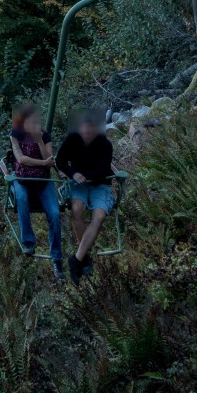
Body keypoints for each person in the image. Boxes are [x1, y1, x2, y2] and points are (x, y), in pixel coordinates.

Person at [56, 110, 115, 286]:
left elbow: (102, 170)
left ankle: (76, 259)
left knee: (99, 216)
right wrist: (73, 173)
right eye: (84, 128)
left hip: (99, 183)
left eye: (91, 128)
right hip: (78, 183)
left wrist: (83, 174)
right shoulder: (72, 139)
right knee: (77, 209)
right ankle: (84, 258)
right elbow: (60, 161)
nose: (87, 131)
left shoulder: (104, 144)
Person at [9, 103, 64, 278]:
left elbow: (49, 157)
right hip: (23, 179)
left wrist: (39, 140)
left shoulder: (44, 135)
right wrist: (42, 163)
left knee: (55, 214)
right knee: (22, 200)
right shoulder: (15, 134)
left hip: (43, 180)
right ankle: (28, 243)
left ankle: (57, 258)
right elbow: (21, 159)